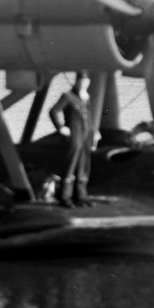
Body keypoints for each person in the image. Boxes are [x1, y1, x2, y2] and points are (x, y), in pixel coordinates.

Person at [49, 73, 92, 207]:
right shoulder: (68, 96)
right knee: (70, 166)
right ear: (77, 81)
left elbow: (88, 118)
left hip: (85, 137)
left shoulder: (86, 98)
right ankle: (65, 197)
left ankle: (81, 196)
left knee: (83, 167)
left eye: (85, 81)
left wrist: (94, 132)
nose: (83, 84)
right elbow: (54, 111)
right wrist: (60, 127)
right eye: (81, 81)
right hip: (74, 137)